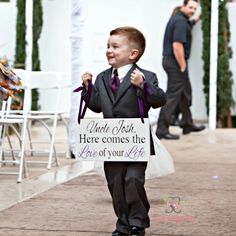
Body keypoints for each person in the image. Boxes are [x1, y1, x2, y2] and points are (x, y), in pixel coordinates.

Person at [81, 26, 167, 236]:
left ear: (133, 54)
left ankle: (138, 222)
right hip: (111, 140)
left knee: (133, 180)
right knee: (116, 183)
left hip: (136, 140)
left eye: (115, 47)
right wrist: (87, 87)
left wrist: (143, 85)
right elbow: (97, 106)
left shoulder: (146, 76)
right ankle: (123, 225)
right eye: (108, 46)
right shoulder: (102, 78)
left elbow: (159, 99)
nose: (109, 50)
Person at [156, 0, 205, 140]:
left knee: (185, 93)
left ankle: (187, 124)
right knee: (172, 96)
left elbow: (191, 23)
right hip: (176, 62)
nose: (192, 11)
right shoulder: (180, 22)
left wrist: (200, 17)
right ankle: (161, 129)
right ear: (183, 5)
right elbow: (177, 45)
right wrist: (182, 65)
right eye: (190, 7)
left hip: (173, 61)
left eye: (195, 9)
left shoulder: (181, 19)